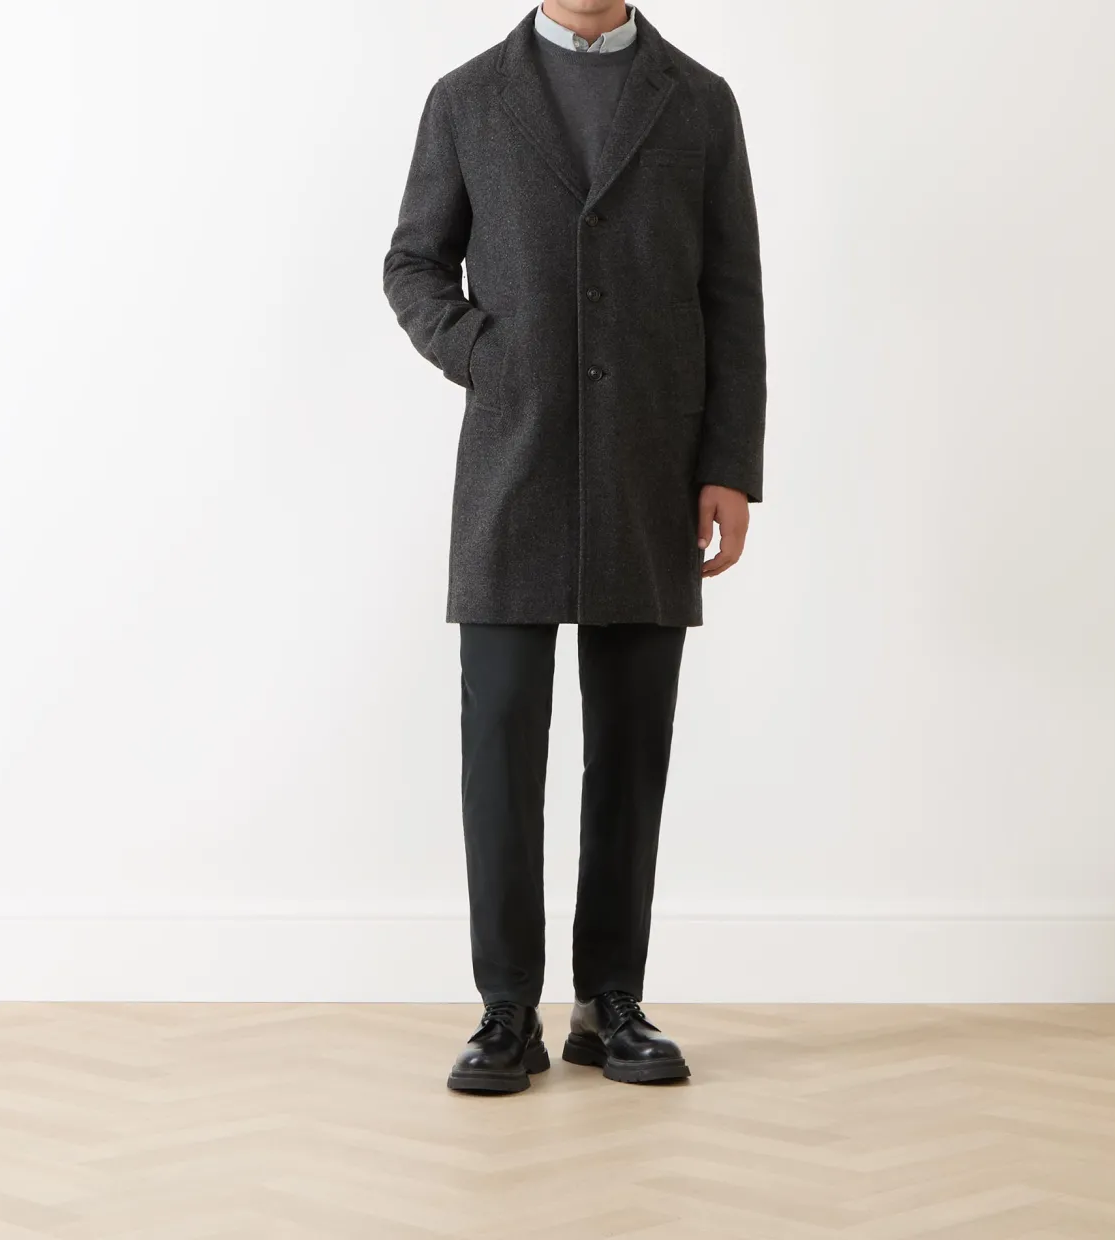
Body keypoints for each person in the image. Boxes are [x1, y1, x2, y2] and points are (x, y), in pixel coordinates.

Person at [383, 1, 765, 1093]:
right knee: (500, 742)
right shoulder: (466, 99)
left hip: (652, 460)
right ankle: (506, 1008)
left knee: (632, 746)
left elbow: (732, 294)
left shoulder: (699, 102)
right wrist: (484, 353)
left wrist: (729, 463)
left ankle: (610, 1000)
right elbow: (413, 264)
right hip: (515, 458)